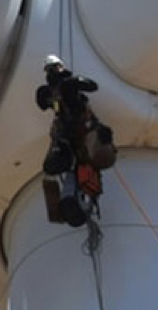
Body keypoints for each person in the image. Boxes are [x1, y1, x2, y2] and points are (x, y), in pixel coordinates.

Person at [36, 55, 116, 226]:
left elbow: (42, 103)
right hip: (81, 132)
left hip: (66, 136)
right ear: (60, 67)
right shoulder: (67, 84)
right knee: (84, 163)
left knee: (73, 168)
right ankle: (76, 201)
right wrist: (74, 80)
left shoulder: (47, 91)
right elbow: (92, 86)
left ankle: (71, 199)